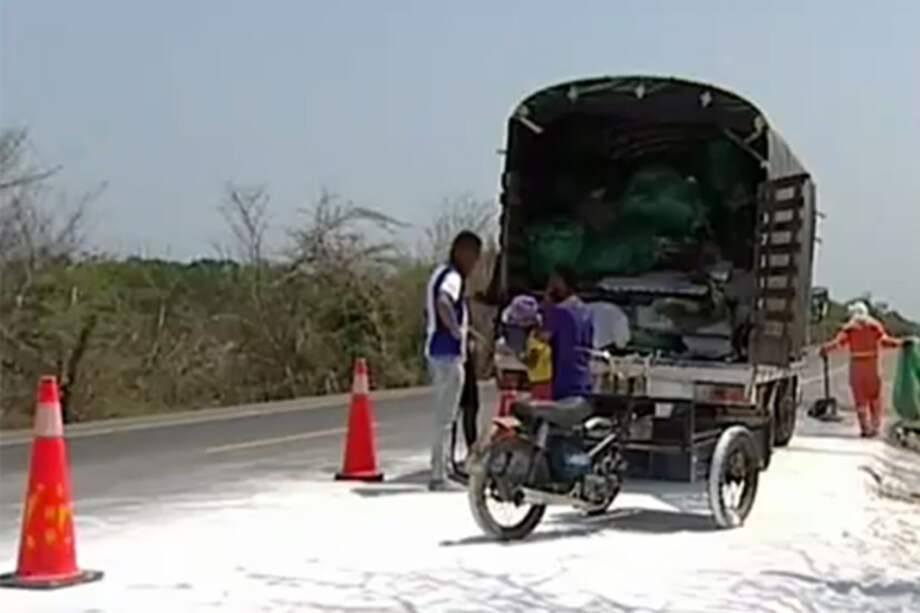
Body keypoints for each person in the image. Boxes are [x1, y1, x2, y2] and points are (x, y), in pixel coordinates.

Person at [425, 230, 482, 490]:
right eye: (474, 256)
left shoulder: (439, 272)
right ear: (463, 252)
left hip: (437, 352)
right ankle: (440, 474)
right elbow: (443, 302)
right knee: (445, 419)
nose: (474, 264)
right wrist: (456, 331)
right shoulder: (453, 277)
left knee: (443, 416)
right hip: (448, 354)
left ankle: (441, 469)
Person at [821, 301, 906, 438]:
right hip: (873, 367)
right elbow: (885, 341)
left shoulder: (850, 329)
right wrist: (901, 343)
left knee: (860, 399)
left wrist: (826, 348)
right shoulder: (874, 327)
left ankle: (865, 427)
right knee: (875, 397)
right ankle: (875, 426)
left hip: (857, 367)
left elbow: (838, 343)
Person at [542, 266, 594, 400]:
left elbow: (543, 339)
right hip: (583, 377)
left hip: (564, 379)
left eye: (554, 282)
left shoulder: (560, 312)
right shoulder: (586, 310)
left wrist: (547, 305)